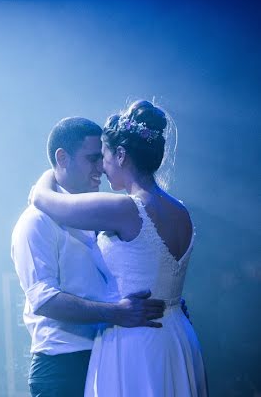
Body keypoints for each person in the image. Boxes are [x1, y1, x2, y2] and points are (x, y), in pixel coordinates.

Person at [30, 101, 206, 396]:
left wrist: (46, 177)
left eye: (105, 156)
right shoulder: (180, 210)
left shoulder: (124, 208)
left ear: (121, 155)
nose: (102, 166)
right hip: (177, 334)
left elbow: (45, 200)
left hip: (136, 338)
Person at [11, 116, 167, 397]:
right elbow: (43, 300)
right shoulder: (36, 221)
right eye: (93, 159)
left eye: (102, 158)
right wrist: (115, 312)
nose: (102, 169)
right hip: (64, 364)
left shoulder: (98, 211)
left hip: (110, 352)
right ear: (62, 158)